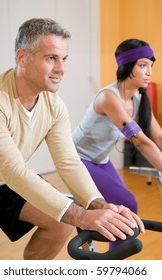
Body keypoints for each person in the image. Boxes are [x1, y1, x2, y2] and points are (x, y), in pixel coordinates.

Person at [0, 19, 144, 260]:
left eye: (64, 59)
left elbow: (69, 161)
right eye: (51, 58)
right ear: (22, 58)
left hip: (1, 182)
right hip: (6, 174)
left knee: (60, 221)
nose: (61, 68)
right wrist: (81, 216)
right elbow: (13, 170)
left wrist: (97, 204)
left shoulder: (54, 106)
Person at [72, 38, 162, 249]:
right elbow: (140, 141)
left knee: (124, 209)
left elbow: (158, 137)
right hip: (76, 158)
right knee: (128, 205)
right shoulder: (108, 97)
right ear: (126, 66)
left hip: (100, 160)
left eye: (151, 66)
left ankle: (115, 259)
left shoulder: (137, 101)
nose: (149, 72)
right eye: (143, 65)